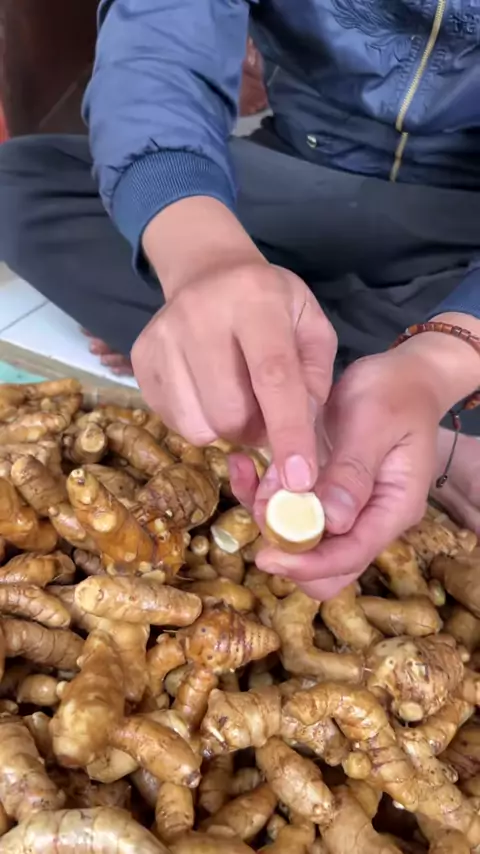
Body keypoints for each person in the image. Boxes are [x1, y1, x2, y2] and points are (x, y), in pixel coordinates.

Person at [1, 0, 480, 599]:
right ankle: (358, 371)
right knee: (18, 186)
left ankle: (372, 376)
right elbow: (159, 40)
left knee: (453, 346)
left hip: (462, 221)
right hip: (299, 167)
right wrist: (200, 255)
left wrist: (443, 359)